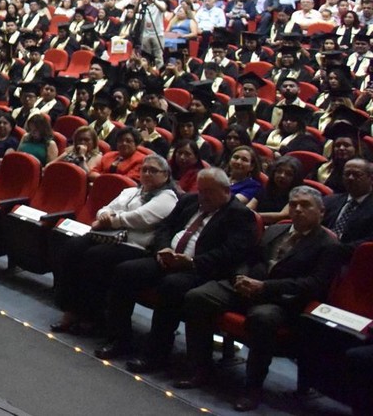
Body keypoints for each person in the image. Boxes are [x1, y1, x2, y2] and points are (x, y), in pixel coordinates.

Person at [178, 186, 343, 411]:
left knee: (262, 319)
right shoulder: (276, 230)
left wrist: (265, 287)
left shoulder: (328, 244)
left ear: (321, 212)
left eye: (305, 206)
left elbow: (313, 284)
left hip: (282, 300)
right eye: (293, 205)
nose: (297, 210)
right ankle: (200, 368)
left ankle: (252, 388)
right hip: (248, 287)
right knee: (198, 297)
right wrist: (240, 277)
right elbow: (248, 257)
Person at [94, 168, 256, 372]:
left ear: (226, 191)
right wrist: (164, 248)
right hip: (168, 259)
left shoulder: (240, 216)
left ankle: (156, 355)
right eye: (201, 190)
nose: (203, 196)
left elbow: (230, 253)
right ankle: (119, 339)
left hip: (201, 270)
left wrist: (191, 261)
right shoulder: (190, 201)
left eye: (209, 192)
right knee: (126, 271)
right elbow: (165, 228)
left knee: (171, 286)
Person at [51, 155, 178, 334]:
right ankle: (70, 310)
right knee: (73, 247)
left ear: (165, 175)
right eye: (144, 169)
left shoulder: (168, 197)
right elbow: (106, 208)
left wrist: (112, 221)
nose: (147, 173)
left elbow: (141, 218)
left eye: (153, 171)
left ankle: (92, 316)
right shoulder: (131, 191)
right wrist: (105, 216)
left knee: (95, 256)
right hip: (109, 235)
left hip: (136, 246)